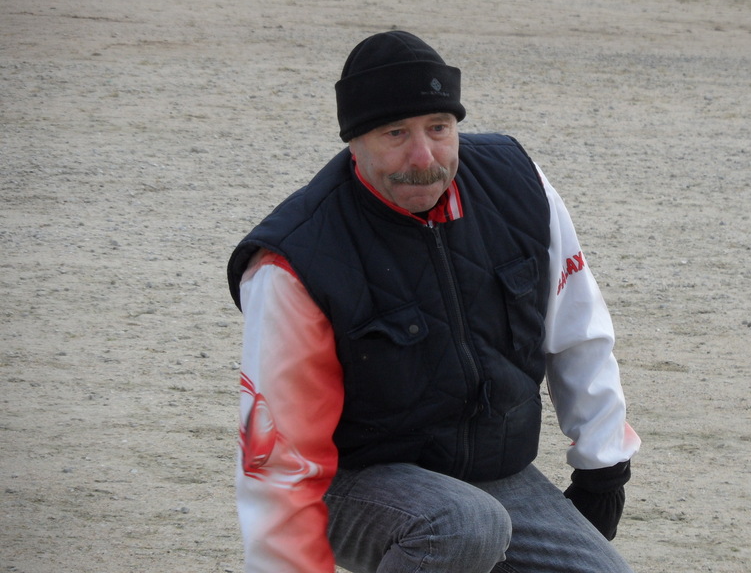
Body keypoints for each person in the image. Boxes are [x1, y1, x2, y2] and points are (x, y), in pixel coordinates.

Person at [227, 30, 641, 573]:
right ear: (354, 141)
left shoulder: (520, 186)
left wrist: (602, 467)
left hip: (488, 475)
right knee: (463, 526)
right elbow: (278, 454)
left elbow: (576, 327)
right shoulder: (294, 260)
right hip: (344, 482)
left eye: (439, 128)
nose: (423, 157)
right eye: (395, 132)